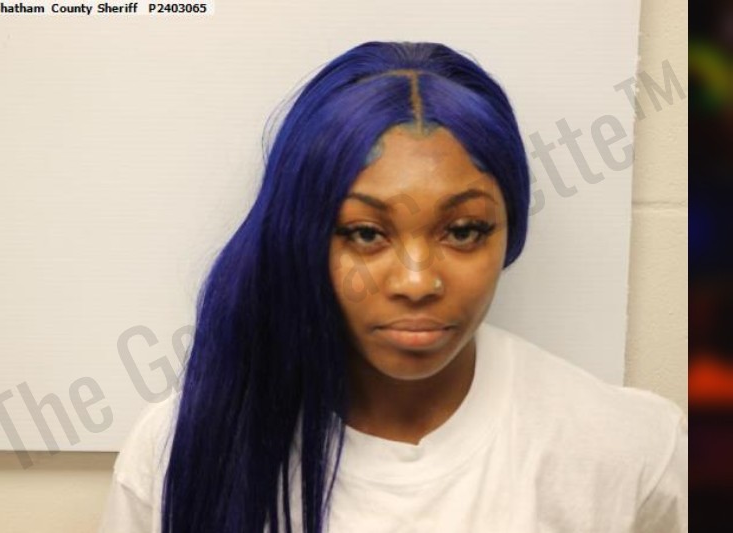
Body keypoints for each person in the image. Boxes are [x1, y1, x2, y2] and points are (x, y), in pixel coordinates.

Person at [98, 41, 687, 533]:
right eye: (365, 233)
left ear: (510, 232)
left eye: (463, 231)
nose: (416, 281)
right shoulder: (181, 450)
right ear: (301, 238)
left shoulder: (627, 451)